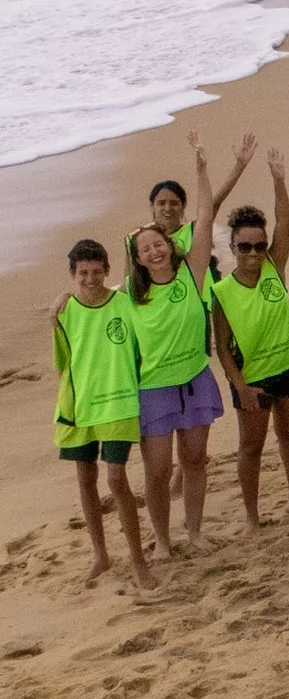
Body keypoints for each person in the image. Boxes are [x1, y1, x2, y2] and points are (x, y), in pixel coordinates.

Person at [209, 148, 289, 524]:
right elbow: (221, 348)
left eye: (259, 245)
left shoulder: (274, 268)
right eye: (245, 246)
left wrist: (279, 179)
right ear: (232, 248)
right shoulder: (221, 292)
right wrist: (242, 386)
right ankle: (252, 516)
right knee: (251, 447)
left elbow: (284, 221)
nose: (253, 253)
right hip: (252, 378)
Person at [53, 238, 153, 588]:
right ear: (72, 274)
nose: (91, 279)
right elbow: (63, 365)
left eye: (97, 272)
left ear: (107, 271)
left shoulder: (124, 305)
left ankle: (139, 560)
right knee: (85, 478)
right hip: (80, 407)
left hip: (120, 404)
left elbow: (142, 353)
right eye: (83, 273)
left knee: (115, 479)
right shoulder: (64, 313)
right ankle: (100, 554)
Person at [127, 198, 222, 555]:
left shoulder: (192, 273)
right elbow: (95, 301)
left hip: (195, 379)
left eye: (158, 244)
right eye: (145, 249)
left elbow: (207, 216)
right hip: (154, 389)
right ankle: (163, 542)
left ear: (170, 246)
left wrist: (201, 167)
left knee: (195, 460)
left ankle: (195, 533)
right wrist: (63, 297)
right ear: (137, 259)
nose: (154, 252)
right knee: (158, 471)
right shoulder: (131, 294)